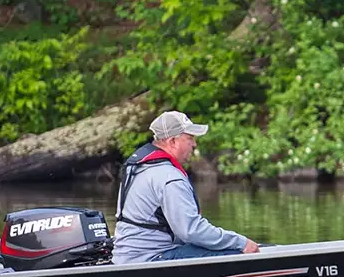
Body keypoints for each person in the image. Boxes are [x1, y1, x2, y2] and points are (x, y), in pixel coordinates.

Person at [111, 111, 260, 264]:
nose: (194, 144)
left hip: (124, 257)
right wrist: (241, 242)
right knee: (237, 253)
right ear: (172, 141)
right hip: (151, 258)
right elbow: (191, 231)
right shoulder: (169, 176)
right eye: (190, 138)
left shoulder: (136, 168)